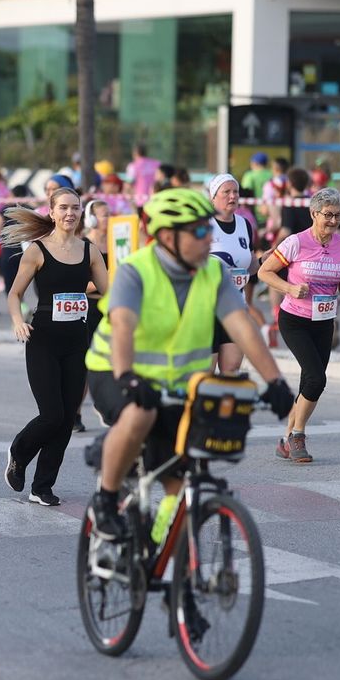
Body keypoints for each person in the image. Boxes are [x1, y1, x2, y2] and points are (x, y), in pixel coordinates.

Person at [85, 189, 294, 542]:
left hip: (180, 383)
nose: (209, 237)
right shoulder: (136, 270)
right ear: (168, 237)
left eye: (208, 228)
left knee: (183, 469)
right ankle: (105, 500)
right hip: (116, 371)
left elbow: (241, 326)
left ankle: (167, 557)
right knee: (139, 414)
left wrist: (276, 383)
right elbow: (121, 326)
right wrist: (127, 378)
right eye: (199, 231)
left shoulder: (213, 271)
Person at [2, 186, 109, 506]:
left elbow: (109, 293)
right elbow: (13, 294)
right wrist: (17, 321)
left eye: (75, 208)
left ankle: (42, 486)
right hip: (43, 339)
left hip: (78, 340)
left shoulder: (90, 251)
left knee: (66, 420)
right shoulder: (37, 250)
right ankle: (19, 452)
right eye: (63, 207)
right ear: (51, 212)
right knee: (51, 415)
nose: (70, 213)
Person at [257, 188, 340, 463]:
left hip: (324, 322)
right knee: (316, 378)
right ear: (314, 214)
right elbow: (264, 271)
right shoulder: (296, 242)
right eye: (328, 215)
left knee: (308, 382)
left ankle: (285, 440)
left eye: (338, 215)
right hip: (295, 320)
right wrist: (289, 287)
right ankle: (298, 435)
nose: (334, 221)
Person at [205, 173, 257, 373]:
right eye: (226, 192)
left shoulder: (244, 224)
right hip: (207, 308)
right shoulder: (203, 225)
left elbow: (249, 265)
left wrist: (262, 261)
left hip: (235, 307)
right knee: (205, 373)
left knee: (232, 367)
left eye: (235, 192)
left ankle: (224, 404)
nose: (232, 196)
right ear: (213, 197)